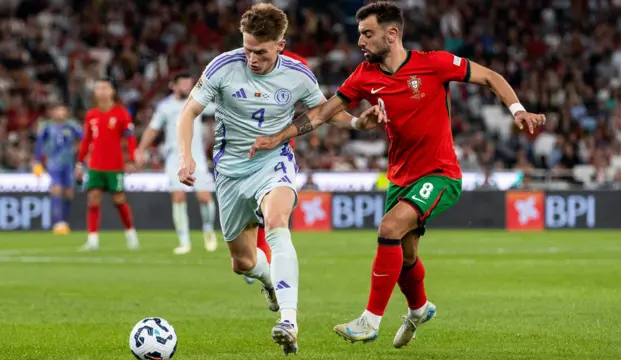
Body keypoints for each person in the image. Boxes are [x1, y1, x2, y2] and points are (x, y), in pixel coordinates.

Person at [249, 1, 545, 348]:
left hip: (440, 173)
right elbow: (321, 114)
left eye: (367, 33)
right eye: (359, 33)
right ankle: (419, 309)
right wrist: (277, 137)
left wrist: (518, 109)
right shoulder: (364, 76)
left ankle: (370, 320)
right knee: (405, 256)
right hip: (400, 177)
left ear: (391, 34)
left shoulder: (433, 63)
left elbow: (490, 76)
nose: (360, 40)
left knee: (389, 227)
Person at [176, 3, 383, 355]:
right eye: (247, 49)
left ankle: (288, 320)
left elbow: (322, 113)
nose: (252, 58)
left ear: (280, 45)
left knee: (276, 221)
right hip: (229, 172)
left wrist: (356, 123)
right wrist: (186, 156)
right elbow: (189, 112)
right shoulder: (223, 67)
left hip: (274, 162)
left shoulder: (298, 74)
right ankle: (272, 281)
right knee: (242, 262)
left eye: (260, 52)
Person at [135, 73, 218, 255]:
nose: (188, 87)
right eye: (184, 84)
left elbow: (219, 109)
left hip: (197, 158)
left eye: (190, 83)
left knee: (204, 197)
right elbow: (153, 128)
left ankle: (208, 230)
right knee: (178, 197)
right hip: (175, 158)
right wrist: (141, 149)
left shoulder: (198, 102)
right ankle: (184, 241)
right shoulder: (165, 107)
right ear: (173, 86)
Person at [245, 49, 308, 285]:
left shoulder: (297, 64)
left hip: (278, 154)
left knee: (272, 217)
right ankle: (261, 267)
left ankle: (286, 308)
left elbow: (316, 105)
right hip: (240, 154)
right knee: (242, 260)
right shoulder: (237, 60)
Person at [76, 78, 140, 251]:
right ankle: (92, 240)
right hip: (96, 164)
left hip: (115, 165)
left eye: (105, 88)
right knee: (93, 199)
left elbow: (130, 138)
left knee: (119, 199)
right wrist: (80, 162)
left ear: (112, 91)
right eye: (98, 88)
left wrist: (132, 159)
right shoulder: (91, 115)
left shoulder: (121, 113)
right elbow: (86, 141)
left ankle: (131, 235)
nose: (102, 92)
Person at [33, 103, 83, 235]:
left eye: (63, 110)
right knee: (56, 189)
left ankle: (65, 222)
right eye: (58, 111)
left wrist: (80, 150)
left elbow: (84, 138)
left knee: (68, 192)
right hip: (53, 163)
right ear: (53, 112)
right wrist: (37, 162)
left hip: (69, 164)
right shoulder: (47, 127)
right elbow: (39, 144)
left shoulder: (72, 125)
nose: (60, 113)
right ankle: (58, 222)